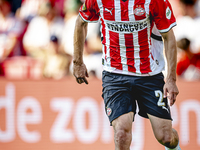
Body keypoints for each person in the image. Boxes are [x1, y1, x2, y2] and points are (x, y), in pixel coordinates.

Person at [73, 0, 180, 150]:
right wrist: (78, 62)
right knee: (121, 134)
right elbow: (80, 22)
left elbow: (168, 36)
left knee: (166, 137)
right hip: (115, 75)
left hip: (149, 75)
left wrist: (171, 79)